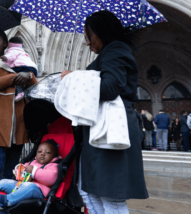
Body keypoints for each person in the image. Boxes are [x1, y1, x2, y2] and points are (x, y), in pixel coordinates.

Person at [61, 11, 148, 213]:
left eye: (89, 35)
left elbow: (109, 88)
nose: (87, 42)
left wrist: (74, 78)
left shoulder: (116, 49)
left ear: (102, 31)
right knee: (89, 194)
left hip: (110, 129)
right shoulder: (108, 53)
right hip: (99, 129)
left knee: (110, 196)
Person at [0, 29, 38, 195]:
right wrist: (13, 78)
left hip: (18, 126)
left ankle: (4, 208)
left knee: (11, 174)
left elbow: (35, 85)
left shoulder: (19, 60)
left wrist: (28, 75)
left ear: (5, 43)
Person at [0, 140, 60, 213]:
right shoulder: (32, 162)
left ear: (54, 156)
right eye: (40, 151)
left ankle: (7, 200)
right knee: (4, 182)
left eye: (48, 152)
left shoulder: (53, 165)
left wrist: (34, 171)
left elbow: (51, 178)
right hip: (21, 186)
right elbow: (21, 171)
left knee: (31, 186)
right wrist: (19, 170)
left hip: (39, 191)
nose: (43, 154)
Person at [0, 37, 38, 102]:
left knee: (16, 78)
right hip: (32, 68)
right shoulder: (22, 51)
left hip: (21, 67)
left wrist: (4, 58)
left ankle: (20, 92)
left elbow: (10, 56)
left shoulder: (12, 50)